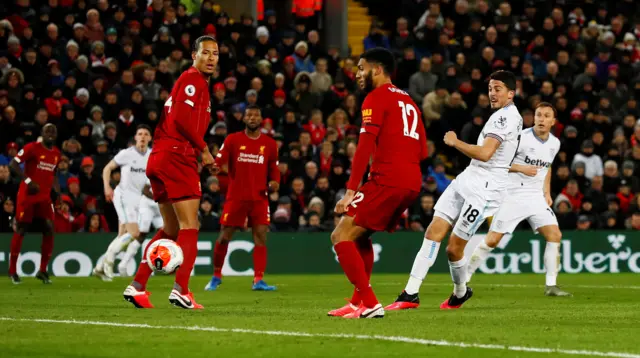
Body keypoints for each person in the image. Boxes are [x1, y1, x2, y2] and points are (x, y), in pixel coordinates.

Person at [386, 70, 522, 310]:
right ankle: (410, 293)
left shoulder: (506, 118)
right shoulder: (500, 115)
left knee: (453, 248)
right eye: (490, 88)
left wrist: (455, 141)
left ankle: (460, 292)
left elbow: (486, 153)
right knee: (433, 231)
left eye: (498, 88)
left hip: (485, 190)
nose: (492, 93)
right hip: (469, 177)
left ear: (511, 93)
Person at [328, 48, 428, 319]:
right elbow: (423, 151)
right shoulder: (410, 101)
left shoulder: (376, 97)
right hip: (411, 182)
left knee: (340, 235)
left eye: (361, 68)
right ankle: (356, 302)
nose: (357, 74)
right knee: (361, 234)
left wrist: (350, 191)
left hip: (387, 180)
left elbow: (364, 146)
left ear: (378, 69)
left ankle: (370, 303)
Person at [122, 35, 218, 310]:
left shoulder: (196, 84)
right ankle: (182, 290)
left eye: (215, 54)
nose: (211, 58)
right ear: (193, 56)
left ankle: (138, 285)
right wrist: (203, 149)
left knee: (172, 228)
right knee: (190, 227)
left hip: (160, 157)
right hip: (177, 156)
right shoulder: (192, 80)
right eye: (206, 53)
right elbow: (179, 119)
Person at [466, 103, 572, 297]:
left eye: (546, 116)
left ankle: (551, 285)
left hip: (535, 198)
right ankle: (464, 276)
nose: (541, 119)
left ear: (553, 121)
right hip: (512, 194)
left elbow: (546, 168)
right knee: (493, 240)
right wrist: (522, 168)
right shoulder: (520, 138)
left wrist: (546, 193)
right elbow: (496, 162)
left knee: (554, 235)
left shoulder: (554, 143)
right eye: (538, 115)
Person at [205, 105, 280, 292]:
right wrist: (215, 167)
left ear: (261, 118)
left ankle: (258, 280)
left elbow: (274, 169)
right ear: (244, 119)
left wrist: (275, 182)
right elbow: (220, 160)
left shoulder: (270, 144)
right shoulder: (233, 139)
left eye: (256, 114)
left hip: (259, 198)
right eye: (249, 115)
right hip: (236, 197)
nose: (253, 118)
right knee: (224, 237)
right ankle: (216, 276)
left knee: (261, 236)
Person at [93, 125, 152, 281]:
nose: (143, 137)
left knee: (122, 236)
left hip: (138, 200)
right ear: (135, 137)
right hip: (123, 196)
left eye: (146, 134)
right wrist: (107, 186)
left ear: (150, 138)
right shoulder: (127, 154)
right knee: (135, 233)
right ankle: (108, 263)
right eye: (140, 134)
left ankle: (99, 268)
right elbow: (107, 168)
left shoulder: (152, 155)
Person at [8, 124, 61, 284]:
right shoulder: (32, 147)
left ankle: (43, 270)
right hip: (28, 195)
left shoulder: (57, 153)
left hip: (44, 197)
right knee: (22, 228)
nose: (50, 133)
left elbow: (54, 174)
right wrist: (28, 180)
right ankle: (12, 271)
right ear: (42, 133)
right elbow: (13, 164)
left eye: (53, 131)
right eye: (47, 131)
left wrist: (58, 194)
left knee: (49, 228)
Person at [117, 179, 164, 276]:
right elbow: (145, 190)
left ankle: (150, 266)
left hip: (160, 208)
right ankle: (123, 264)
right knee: (142, 233)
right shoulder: (157, 171)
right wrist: (158, 198)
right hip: (147, 204)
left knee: (165, 235)